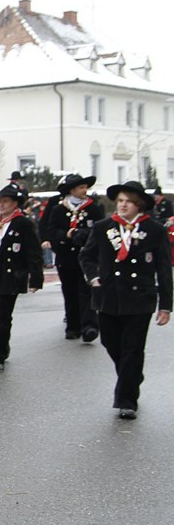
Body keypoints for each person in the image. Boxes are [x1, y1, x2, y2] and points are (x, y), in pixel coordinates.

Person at [79, 181, 172, 420]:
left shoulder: (155, 230)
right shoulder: (103, 227)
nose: (122, 205)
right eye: (119, 201)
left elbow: (163, 269)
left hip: (140, 299)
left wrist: (166, 305)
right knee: (111, 342)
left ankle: (127, 400)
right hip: (108, 296)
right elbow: (87, 255)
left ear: (138, 205)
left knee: (133, 349)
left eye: (127, 201)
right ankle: (131, 376)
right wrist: (94, 276)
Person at [0, 185, 44, 373]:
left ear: (15, 203)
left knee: (3, 315)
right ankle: (2, 342)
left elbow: (34, 251)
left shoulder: (23, 223)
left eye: (5, 201)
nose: (1, 205)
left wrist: (35, 277)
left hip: (11, 275)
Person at [42, 174, 103, 342]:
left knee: (86, 290)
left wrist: (84, 234)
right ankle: (73, 326)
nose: (85, 191)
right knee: (69, 291)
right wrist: (66, 235)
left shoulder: (93, 208)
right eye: (81, 188)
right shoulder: (59, 209)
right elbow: (51, 231)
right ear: (72, 190)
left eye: (85, 187)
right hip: (66, 256)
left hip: (86, 258)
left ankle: (89, 325)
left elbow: (100, 230)